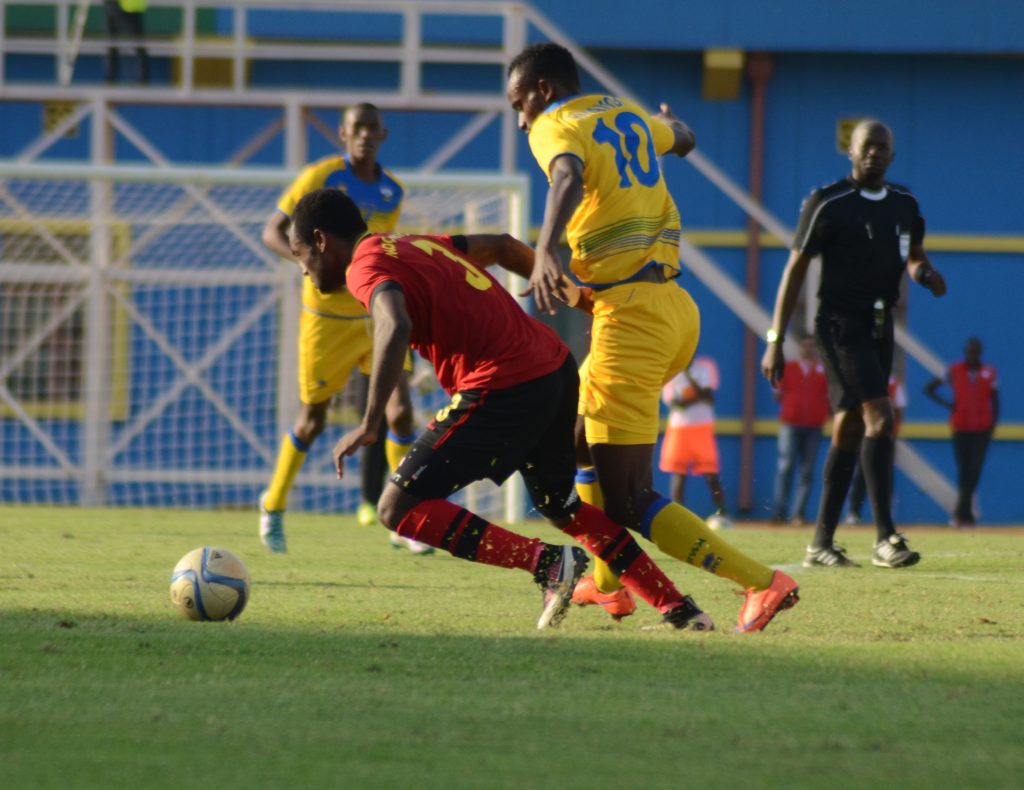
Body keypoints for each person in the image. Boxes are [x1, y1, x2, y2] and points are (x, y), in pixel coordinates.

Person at [291, 187, 717, 631]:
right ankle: (680, 609)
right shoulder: (412, 243)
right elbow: (503, 246)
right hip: (552, 365)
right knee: (561, 504)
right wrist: (581, 300)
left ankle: (548, 564)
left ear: (321, 240)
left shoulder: (365, 265)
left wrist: (368, 421)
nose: (303, 269)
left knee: (396, 508)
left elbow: (394, 323)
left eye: (299, 253)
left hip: (504, 382)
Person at [507, 42, 798, 632]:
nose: (520, 121)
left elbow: (566, 172)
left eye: (519, 104)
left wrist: (543, 248)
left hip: (631, 322)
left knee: (628, 500)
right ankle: (608, 585)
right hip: (672, 309)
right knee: (577, 440)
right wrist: (667, 124)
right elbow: (683, 137)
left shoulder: (556, 123)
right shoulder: (628, 114)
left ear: (542, 90)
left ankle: (762, 582)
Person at [761, 119, 947, 569]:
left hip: (882, 325)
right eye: (867, 147)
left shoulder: (905, 203)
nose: (874, 154)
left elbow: (913, 253)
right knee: (880, 417)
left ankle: (820, 543)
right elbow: (795, 270)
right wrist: (775, 338)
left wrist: (924, 273)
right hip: (839, 324)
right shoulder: (827, 203)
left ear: (892, 154)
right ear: (851, 151)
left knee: (848, 426)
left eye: (882, 147)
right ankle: (886, 538)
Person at [259, 104, 423, 554]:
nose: (365, 135)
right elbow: (272, 231)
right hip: (326, 320)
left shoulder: (393, 192)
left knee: (401, 412)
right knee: (313, 421)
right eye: (357, 128)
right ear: (343, 134)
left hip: (375, 314)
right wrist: (306, 262)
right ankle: (272, 507)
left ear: (383, 134)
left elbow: (379, 249)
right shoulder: (320, 178)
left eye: (372, 128)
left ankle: (400, 517)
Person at [924, 338, 999, 527]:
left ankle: (960, 514)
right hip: (961, 427)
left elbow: (995, 400)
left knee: (974, 469)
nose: (972, 355)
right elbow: (930, 388)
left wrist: (992, 425)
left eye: (976, 351)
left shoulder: (988, 372)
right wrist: (950, 405)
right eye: (969, 351)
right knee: (964, 470)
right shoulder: (955, 370)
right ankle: (966, 516)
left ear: (980, 353)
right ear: (965, 352)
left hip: (982, 428)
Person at [659, 356, 732, 527]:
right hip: (679, 428)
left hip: (702, 427)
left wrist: (689, 378)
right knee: (678, 473)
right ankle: (678, 512)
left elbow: (708, 393)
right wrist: (699, 397)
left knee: (710, 473)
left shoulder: (705, 367)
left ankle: (722, 511)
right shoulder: (671, 372)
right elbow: (677, 404)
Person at [770, 334, 830, 525]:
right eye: (805, 345)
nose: (808, 349)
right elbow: (778, 394)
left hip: (814, 424)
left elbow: (830, 396)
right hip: (790, 422)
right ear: (800, 347)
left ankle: (798, 514)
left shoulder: (823, 370)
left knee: (807, 470)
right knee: (785, 466)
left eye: (812, 345)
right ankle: (779, 512)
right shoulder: (790, 368)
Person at [847, 375, 906, 523]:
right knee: (861, 473)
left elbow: (898, 410)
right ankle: (854, 511)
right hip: (866, 434)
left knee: (886, 473)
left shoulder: (893, 383)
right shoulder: (866, 380)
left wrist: (893, 432)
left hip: (886, 435)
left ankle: (886, 512)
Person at [104, 0, 150, 85]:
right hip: (115, 4)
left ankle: (142, 81)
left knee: (136, 43)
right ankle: (110, 81)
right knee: (113, 43)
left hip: (128, 5)